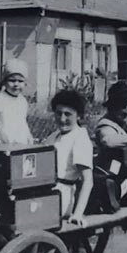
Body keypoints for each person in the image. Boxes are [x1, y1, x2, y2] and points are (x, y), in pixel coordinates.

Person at [46, 89, 94, 226]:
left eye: (68, 114)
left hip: (62, 196)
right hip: (45, 191)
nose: (62, 119)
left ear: (78, 116)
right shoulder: (54, 136)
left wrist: (78, 213)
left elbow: (88, 181)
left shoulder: (80, 138)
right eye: (58, 113)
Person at [0, 59, 34, 145]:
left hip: (20, 144)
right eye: (12, 80)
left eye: (20, 81)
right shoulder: (0, 99)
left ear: (25, 83)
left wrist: (28, 136)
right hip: (2, 145)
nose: (16, 84)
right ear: (4, 82)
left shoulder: (23, 101)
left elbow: (22, 121)